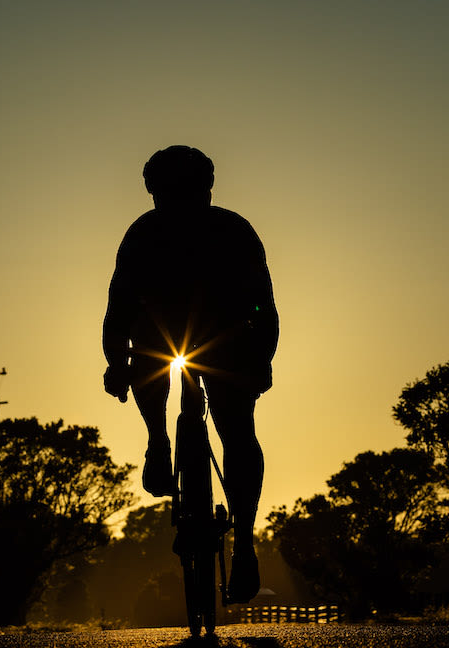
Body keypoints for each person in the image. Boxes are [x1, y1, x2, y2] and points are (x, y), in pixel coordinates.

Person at [102, 145, 278, 604]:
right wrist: (115, 361)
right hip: (192, 343)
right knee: (235, 430)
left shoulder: (219, 231)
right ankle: (160, 442)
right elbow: (118, 310)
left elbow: (263, 304)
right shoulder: (154, 234)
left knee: (236, 430)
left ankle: (243, 544)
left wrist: (262, 358)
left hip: (222, 343)